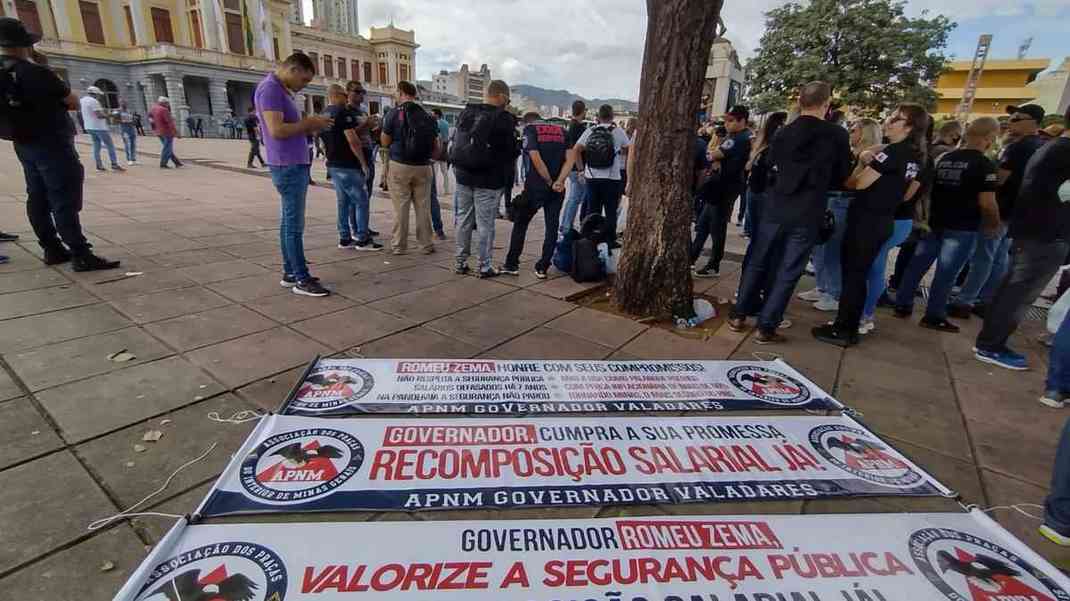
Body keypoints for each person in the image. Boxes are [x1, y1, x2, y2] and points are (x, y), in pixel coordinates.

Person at [728, 82, 852, 343]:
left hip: (776, 205)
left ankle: (739, 315)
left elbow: (772, 164)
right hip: (808, 209)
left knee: (758, 260)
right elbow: (841, 176)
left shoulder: (784, 132)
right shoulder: (836, 134)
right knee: (789, 269)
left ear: (800, 101)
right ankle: (766, 325)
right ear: (826, 103)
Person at [0, 17, 119, 271]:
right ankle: (80, 253)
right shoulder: (35, 72)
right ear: (24, 45)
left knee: (37, 195)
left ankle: (52, 248)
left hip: (23, 142)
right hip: (52, 141)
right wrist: (43, 68)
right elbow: (72, 102)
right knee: (63, 197)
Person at [812, 103, 928, 347]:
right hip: (883, 219)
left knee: (853, 276)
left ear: (909, 126)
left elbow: (859, 184)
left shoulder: (893, 152)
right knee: (859, 275)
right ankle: (847, 324)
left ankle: (844, 330)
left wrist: (861, 164)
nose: (889, 120)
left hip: (867, 220)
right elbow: (907, 195)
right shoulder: (915, 155)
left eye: (896, 118)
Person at [974, 107, 1070, 370]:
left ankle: (989, 342)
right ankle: (991, 345)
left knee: (1012, 289)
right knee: (1018, 292)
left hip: (1035, 231)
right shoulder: (1059, 150)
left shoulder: (1048, 147)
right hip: (1045, 234)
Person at [892, 117, 1001, 332]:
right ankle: (934, 315)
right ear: (989, 139)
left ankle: (902, 304)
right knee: (947, 273)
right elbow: (987, 202)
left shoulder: (945, 158)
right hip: (962, 227)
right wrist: (993, 224)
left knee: (917, 265)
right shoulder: (984, 164)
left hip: (935, 220)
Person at [956, 103, 1047, 316]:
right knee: (997, 258)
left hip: (1001, 210)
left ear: (1033, 122)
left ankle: (965, 299)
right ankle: (985, 299)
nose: (1010, 122)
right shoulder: (1038, 145)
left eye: (1016, 119)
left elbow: (998, 180)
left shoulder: (1018, 147)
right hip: (1014, 212)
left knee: (984, 257)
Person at [255, 52, 333, 297]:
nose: (304, 86)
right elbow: (276, 130)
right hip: (287, 165)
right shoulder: (271, 90)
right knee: (294, 225)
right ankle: (301, 278)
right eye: (305, 80)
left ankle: (291, 272)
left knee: (288, 222)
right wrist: (310, 124)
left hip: (291, 163)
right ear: (293, 70)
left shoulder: (278, 89)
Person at [450, 79, 518, 278]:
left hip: (463, 174)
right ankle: (484, 265)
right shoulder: (504, 119)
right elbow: (510, 152)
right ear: (503, 97)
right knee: (485, 224)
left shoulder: (467, 111)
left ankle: (460, 262)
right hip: (489, 180)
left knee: (463, 219)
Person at [501, 113, 567, 279]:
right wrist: (559, 181)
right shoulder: (562, 130)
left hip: (536, 187)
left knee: (521, 223)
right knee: (552, 226)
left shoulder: (531, 130)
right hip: (558, 188)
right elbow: (571, 158)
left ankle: (511, 264)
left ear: (526, 122)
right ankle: (543, 267)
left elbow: (535, 158)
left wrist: (548, 180)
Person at [691, 104, 752, 276]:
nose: (727, 124)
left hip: (725, 187)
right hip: (720, 186)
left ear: (742, 120)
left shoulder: (739, 138)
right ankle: (693, 257)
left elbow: (713, 155)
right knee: (703, 224)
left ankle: (713, 264)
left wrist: (714, 155)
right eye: (726, 120)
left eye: (731, 120)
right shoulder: (737, 136)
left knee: (716, 227)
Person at [380, 80, 438, 256]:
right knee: (423, 206)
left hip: (400, 165)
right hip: (424, 166)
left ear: (400, 92)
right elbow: (437, 145)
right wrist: (430, 159)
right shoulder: (428, 115)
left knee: (401, 207)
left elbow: (385, 140)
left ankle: (399, 245)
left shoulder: (393, 113)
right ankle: (426, 244)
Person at [323, 83, 380, 251]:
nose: (346, 98)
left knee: (344, 201)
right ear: (340, 94)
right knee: (361, 200)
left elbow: (321, 137)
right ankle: (362, 237)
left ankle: (345, 237)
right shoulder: (343, 113)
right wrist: (362, 163)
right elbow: (353, 139)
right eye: (344, 94)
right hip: (348, 162)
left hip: (335, 162)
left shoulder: (325, 113)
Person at [574, 104, 630, 249]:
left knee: (592, 210)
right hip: (612, 178)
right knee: (611, 210)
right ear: (612, 117)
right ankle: (609, 240)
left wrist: (581, 169)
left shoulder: (590, 130)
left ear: (598, 116)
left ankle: (591, 239)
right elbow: (629, 149)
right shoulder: (618, 131)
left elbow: (576, 149)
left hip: (592, 177)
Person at [743, 111, 788, 242]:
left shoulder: (762, 146)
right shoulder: (772, 148)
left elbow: (748, 167)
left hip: (755, 188)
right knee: (760, 236)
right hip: (764, 191)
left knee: (756, 235)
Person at [345, 81, 381, 238]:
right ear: (348, 93)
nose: (360, 95)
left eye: (362, 92)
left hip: (368, 151)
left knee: (367, 194)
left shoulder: (363, 111)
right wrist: (365, 124)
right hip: (355, 156)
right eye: (357, 91)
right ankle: (356, 228)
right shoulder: (346, 112)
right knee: (357, 195)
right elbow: (349, 134)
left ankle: (363, 225)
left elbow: (369, 132)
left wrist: (374, 127)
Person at [559, 100, 588, 238]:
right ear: (583, 111)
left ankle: (564, 224)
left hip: (571, 166)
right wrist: (581, 169)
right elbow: (577, 150)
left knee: (573, 198)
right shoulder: (580, 128)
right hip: (578, 168)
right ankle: (566, 226)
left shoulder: (570, 126)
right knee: (575, 198)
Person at [80, 85, 123, 172]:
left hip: (89, 126)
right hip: (99, 127)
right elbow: (99, 115)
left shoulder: (82, 100)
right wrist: (111, 114)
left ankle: (99, 165)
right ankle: (114, 164)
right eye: (98, 94)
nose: (99, 96)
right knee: (109, 145)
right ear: (95, 94)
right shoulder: (94, 101)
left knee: (96, 145)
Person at [150, 96, 182, 168]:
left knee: (167, 147)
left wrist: (154, 129)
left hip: (158, 131)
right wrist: (176, 133)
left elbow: (151, 120)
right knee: (167, 148)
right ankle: (163, 163)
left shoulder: (153, 109)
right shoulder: (164, 110)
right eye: (167, 103)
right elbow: (170, 123)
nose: (168, 105)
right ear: (164, 103)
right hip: (167, 132)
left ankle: (177, 162)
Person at [432, 107, 451, 195]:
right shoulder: (446, 123)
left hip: (436, 152)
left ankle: (434, 190)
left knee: (434, 173)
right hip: (444, 151)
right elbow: (447, 138)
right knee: (445, 173)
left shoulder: (435, 123)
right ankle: (446, 189)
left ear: (436, 114)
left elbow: (436, 137)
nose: (432, 115)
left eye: (433, 113)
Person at [117, 100, 137, 165]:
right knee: (127, 143)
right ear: (120, 104)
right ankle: (129, 159)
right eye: (122, 103)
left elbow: (133, 118)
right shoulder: (118, 111)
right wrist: (123, 121)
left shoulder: (129, 111)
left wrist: (134, 120)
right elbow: (115, 120)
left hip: (131, 127)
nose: (124, 104)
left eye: (125, 103)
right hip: (124, 128)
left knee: (133, 143)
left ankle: (133, 158)